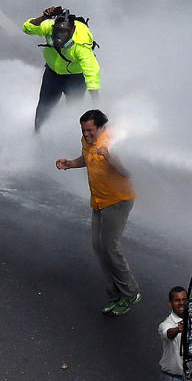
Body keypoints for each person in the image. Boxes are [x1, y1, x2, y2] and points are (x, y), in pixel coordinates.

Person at [55, 110, 141, 316]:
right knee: (98, 247)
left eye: (90, 130)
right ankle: (115, 295)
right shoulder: (87, 142)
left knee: (110, 247)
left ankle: (130, 293)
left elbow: (129, 172)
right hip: (99, 201)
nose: (86, 134)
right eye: (84, 130)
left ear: (101, 128)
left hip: (118, 200)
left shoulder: (113, 143)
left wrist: (109, 157)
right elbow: (87, 158)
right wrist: (70, 164)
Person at [23, 7, 101, 132]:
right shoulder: (49, 26)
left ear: (72, 31)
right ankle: (38, 136)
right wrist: (43, 18)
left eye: (64, 33)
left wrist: (96, 103)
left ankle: (70, 138)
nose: (59, 37)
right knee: (44, 107)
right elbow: (27, 28)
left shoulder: (81, 44)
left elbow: (92, 72)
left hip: (75, 77)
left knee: (75, 110)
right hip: (53, 73)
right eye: (57, 32)